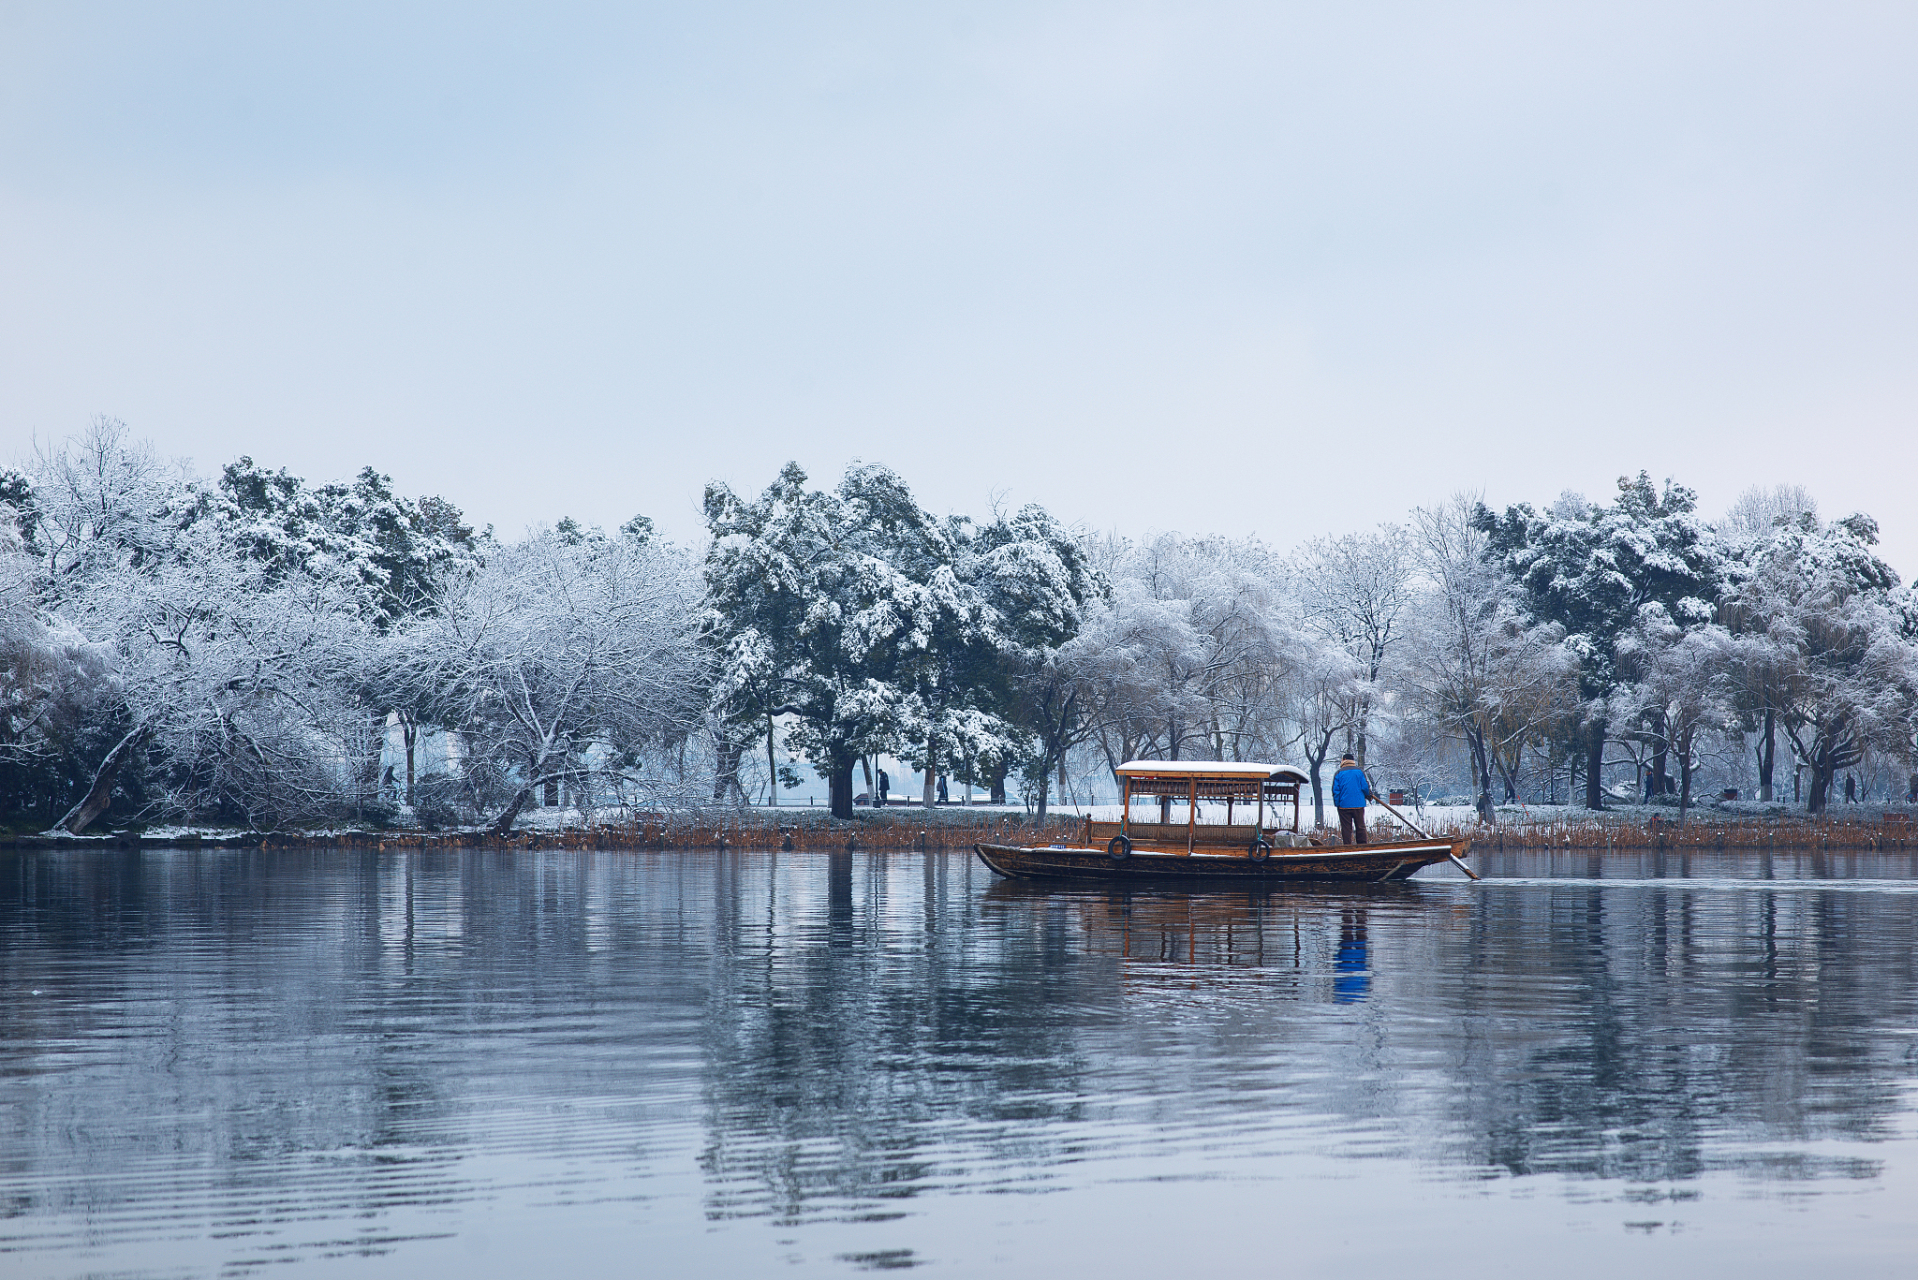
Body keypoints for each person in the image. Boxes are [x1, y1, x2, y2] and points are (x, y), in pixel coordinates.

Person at [1331, 753, 1372, 844]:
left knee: (1346, 828)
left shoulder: (1338, 773)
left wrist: (1337, 804)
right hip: (1359, 804)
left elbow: (1336, 791)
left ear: (1344, 760)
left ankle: (1348, 847)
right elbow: (1365, 787)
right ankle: (1362, 846)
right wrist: (1368, 795)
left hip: (1344, 806)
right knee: (1360, 826)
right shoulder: (1360, 772)